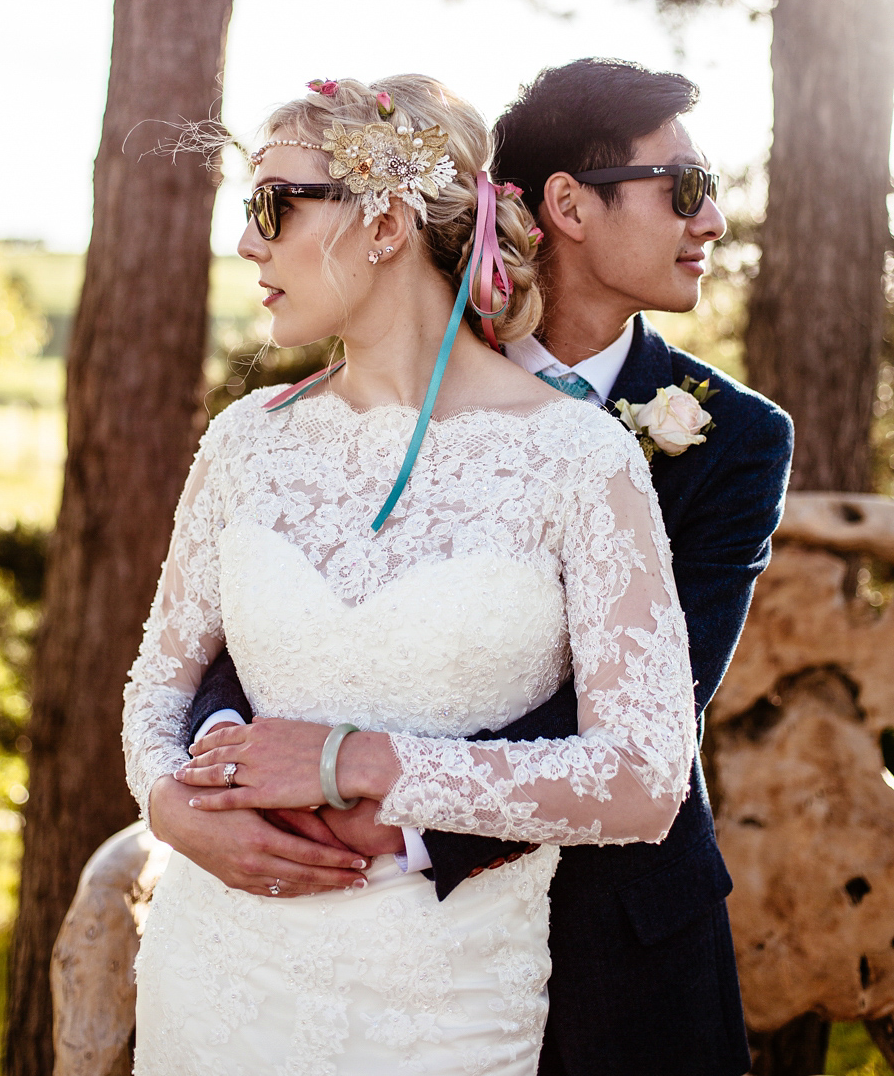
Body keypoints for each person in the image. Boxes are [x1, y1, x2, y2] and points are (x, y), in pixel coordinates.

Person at [174, 59, 794, 1076]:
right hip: (349, 940)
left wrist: (384, 815)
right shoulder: (390, 374)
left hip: (612, 928)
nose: (714, 220)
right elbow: (291, 590)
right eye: (684, 187)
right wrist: (220, 767)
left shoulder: (734, 438)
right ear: (568, 206)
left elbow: (660, 705)